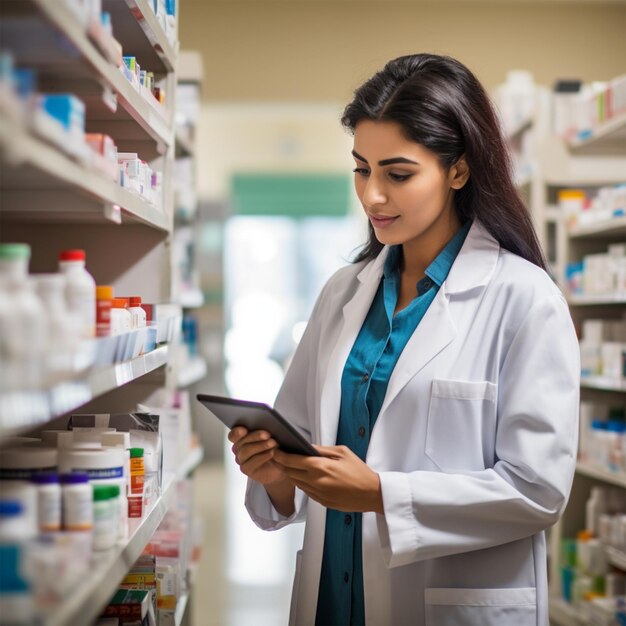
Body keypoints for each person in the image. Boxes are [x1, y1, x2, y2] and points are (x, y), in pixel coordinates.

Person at [228, 53, 580, 626]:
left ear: (458, 171)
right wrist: (274, 474)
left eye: (397, 174)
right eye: (361, 169)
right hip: (333, 599)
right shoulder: (344, 293)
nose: (371, 196)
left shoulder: (524, 297)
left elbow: (537, 490)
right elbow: (298, 443)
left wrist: (380, 494)